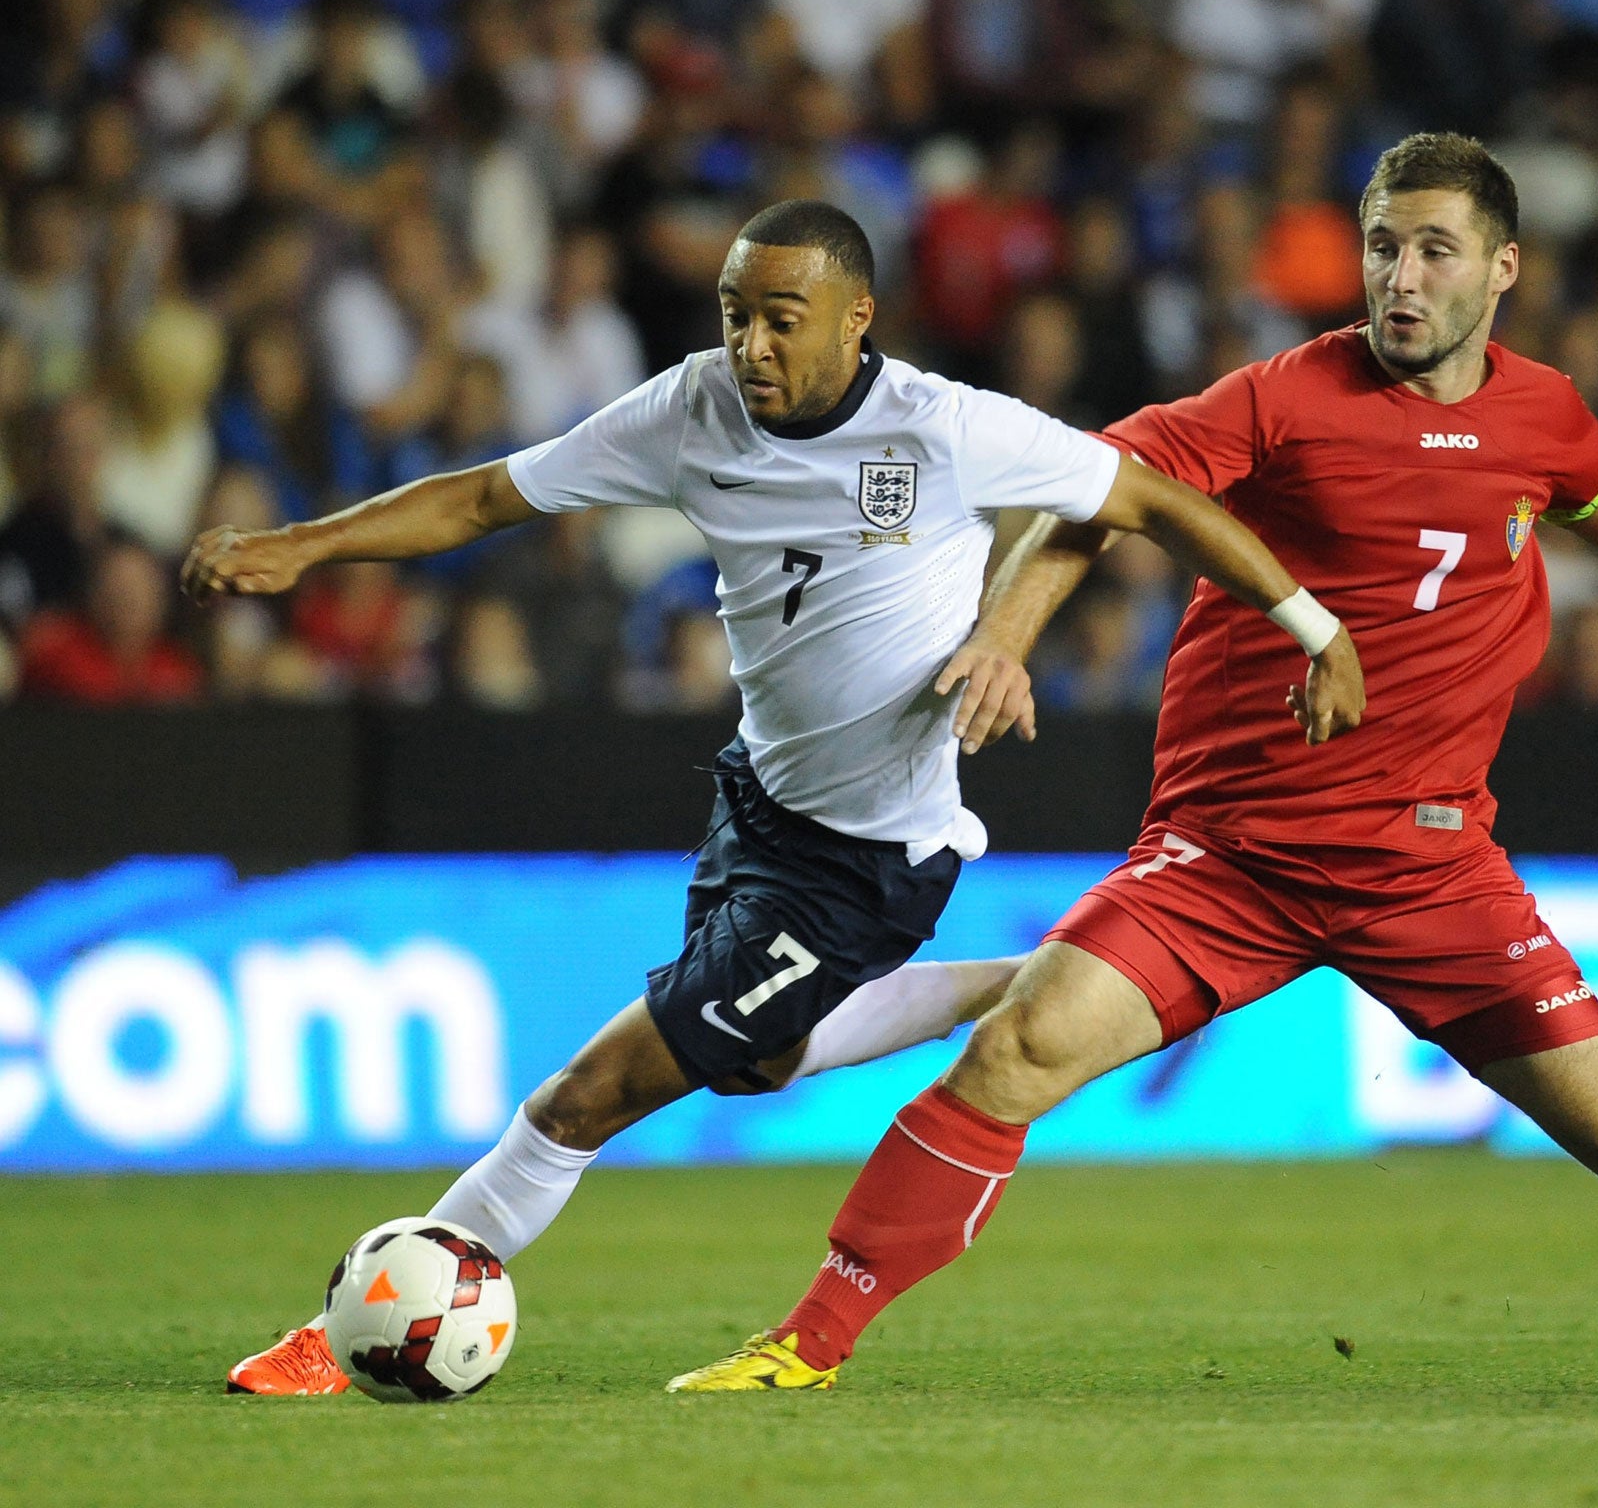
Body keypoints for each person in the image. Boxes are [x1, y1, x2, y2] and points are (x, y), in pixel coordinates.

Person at [670, 137, 1598, 1394]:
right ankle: (806, 1345)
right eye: (1381, 249)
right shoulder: (1287, 397)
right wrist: (1007, 636)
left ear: (1503, 270)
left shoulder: (1540, 413)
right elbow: (1098, 492)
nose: (1399, 279)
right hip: (1232, 860)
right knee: (1019, 1051)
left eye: (1432, 251)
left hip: (1431, 868)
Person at [186, 199, 1364, 1395]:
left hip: (863, 866)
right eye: (734, 314)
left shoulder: (943, 429)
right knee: (752, 1062)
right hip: (756, 802)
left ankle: (349, 1339)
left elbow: (1148, 498)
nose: (750, 344)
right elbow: (490, 495)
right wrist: (305, 545)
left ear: (856, 321)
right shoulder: (692, 408)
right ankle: (1033, 982)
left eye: (779, 321)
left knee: (583, 1096)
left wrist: (1313, 628)